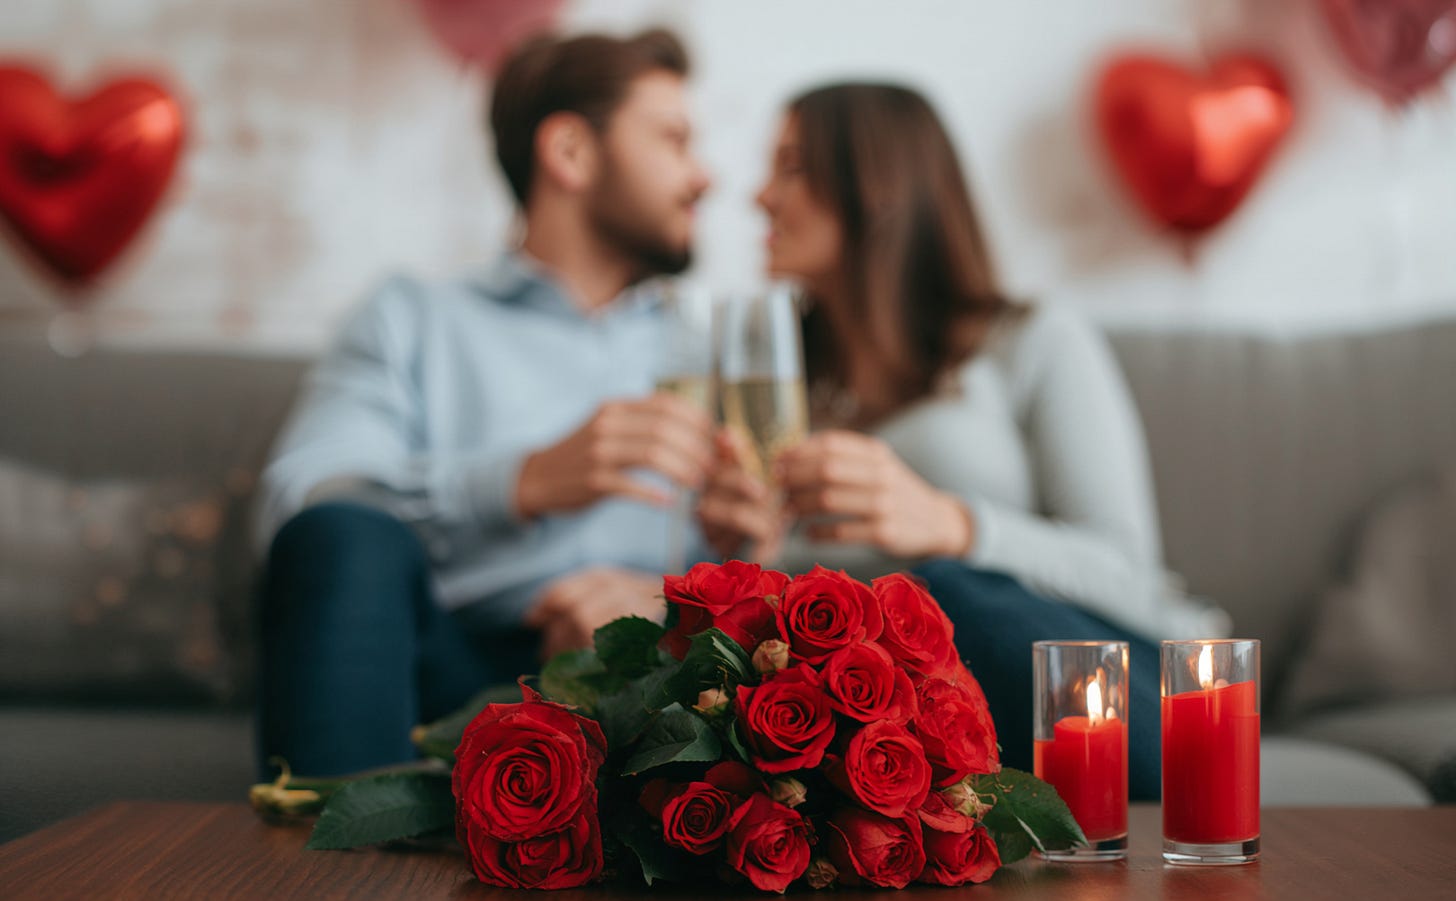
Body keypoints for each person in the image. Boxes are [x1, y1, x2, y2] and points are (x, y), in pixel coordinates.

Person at [696, 83, 1230, 799]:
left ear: (875, 185)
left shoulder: (1032, 340)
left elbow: (1132, 572)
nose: (761, 197)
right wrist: (741, 559)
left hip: (1088, 679)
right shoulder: (775, 376)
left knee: (937, 599)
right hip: (880, 706)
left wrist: (951, 525)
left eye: (792, 166)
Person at [255, 29, 714, 777]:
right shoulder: (412, 317)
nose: (704, 176)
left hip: (657, 673)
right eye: (673, 140)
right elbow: (300, 500)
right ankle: (330, 883)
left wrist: (663, 605)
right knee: (339, 536)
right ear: (570, 152)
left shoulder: (711, 354)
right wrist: (516, 483)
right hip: (447, 666)